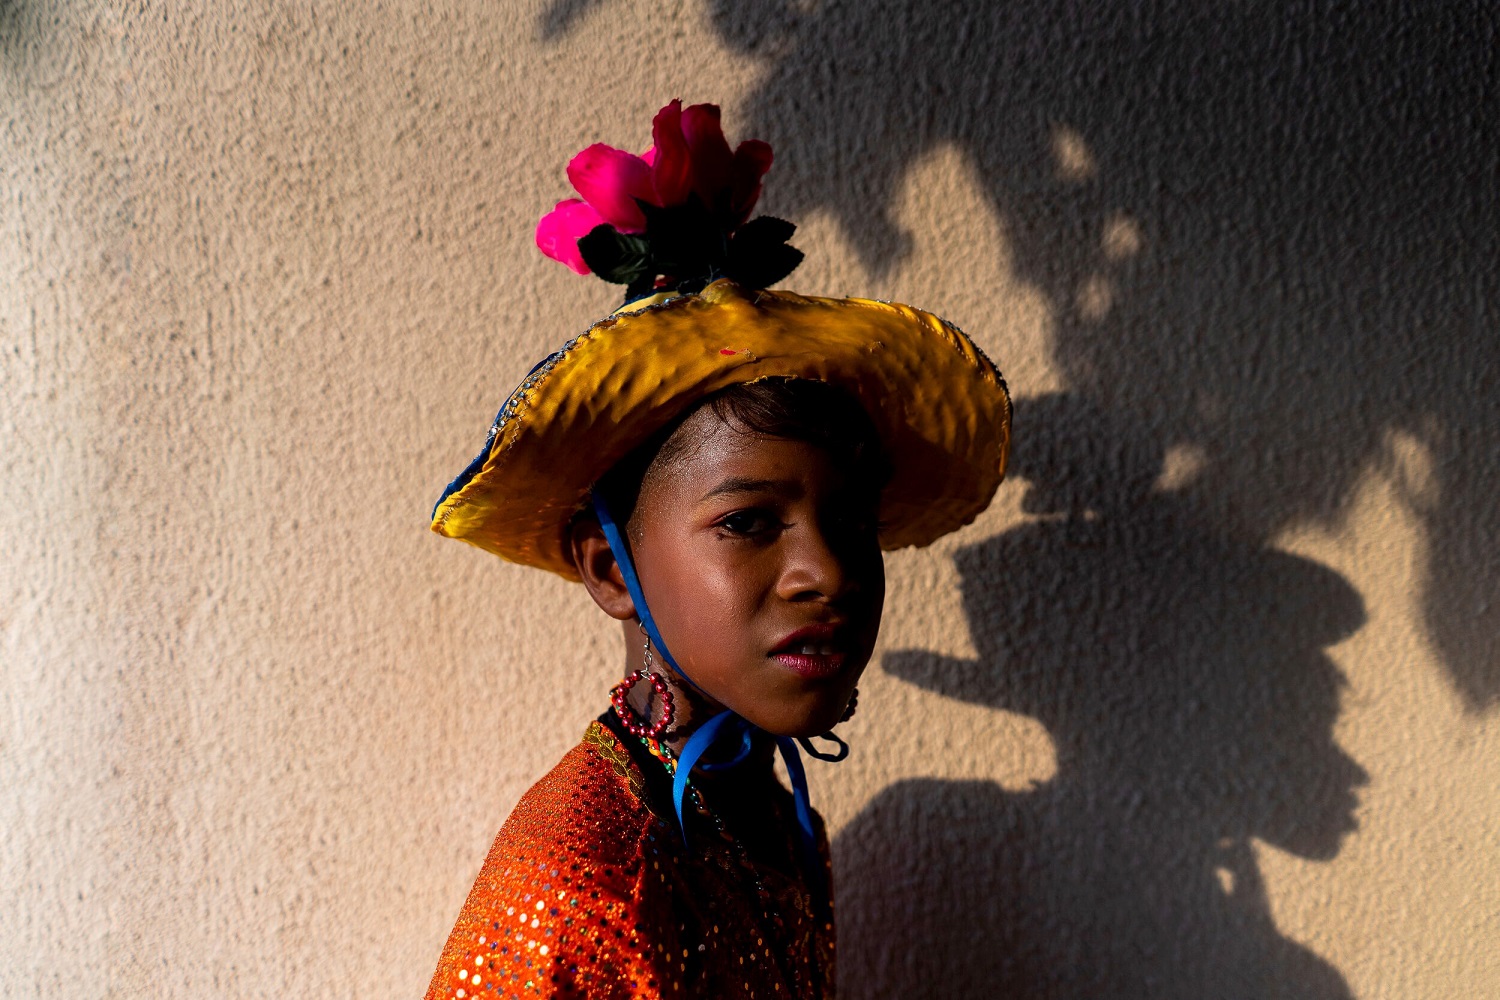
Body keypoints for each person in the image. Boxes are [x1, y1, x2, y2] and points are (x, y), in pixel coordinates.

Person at [423, 99, 1012, 1000]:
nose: (829, 574)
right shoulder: (580, 878)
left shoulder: (775, 825)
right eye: (747, 522)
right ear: (612, 568)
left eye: (851, 522)